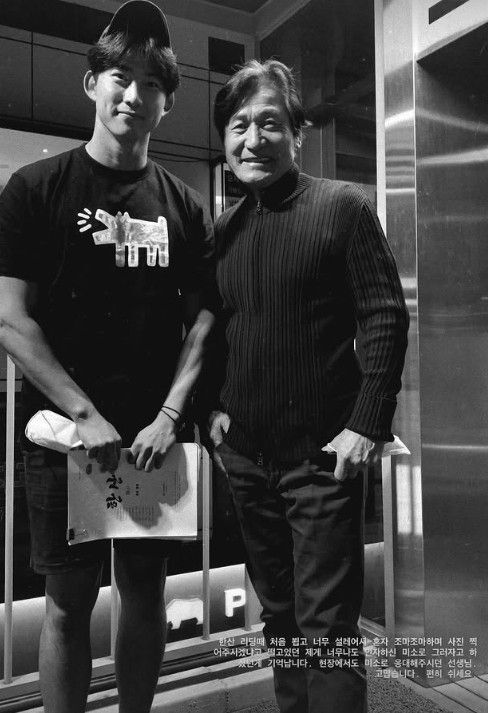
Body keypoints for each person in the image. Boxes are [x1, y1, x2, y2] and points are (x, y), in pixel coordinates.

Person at [0, 2, 217, 712]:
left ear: (168, 102)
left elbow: (203, 320)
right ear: (92, 83)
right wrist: (85, 413)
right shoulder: (35, 190)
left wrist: (169, 416)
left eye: (152, 83)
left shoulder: (185, 206)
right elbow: (10, 317)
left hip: (153, 440)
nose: (134, 94)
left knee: (145, 590)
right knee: (67, 602)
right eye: (120, 76)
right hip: (67, 437)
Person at [210, 59, 409, 713]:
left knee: (327, 629)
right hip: (248, 460)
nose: (253, 139)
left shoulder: (343, 207)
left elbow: (384, 314)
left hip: (321, 460)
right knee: (280, 617)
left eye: (269, 122)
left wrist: (367, 422)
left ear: (296, 132)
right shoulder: (225, 232)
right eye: (239, 125)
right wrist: (212, 412)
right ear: (225, 140)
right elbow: (215, 330)